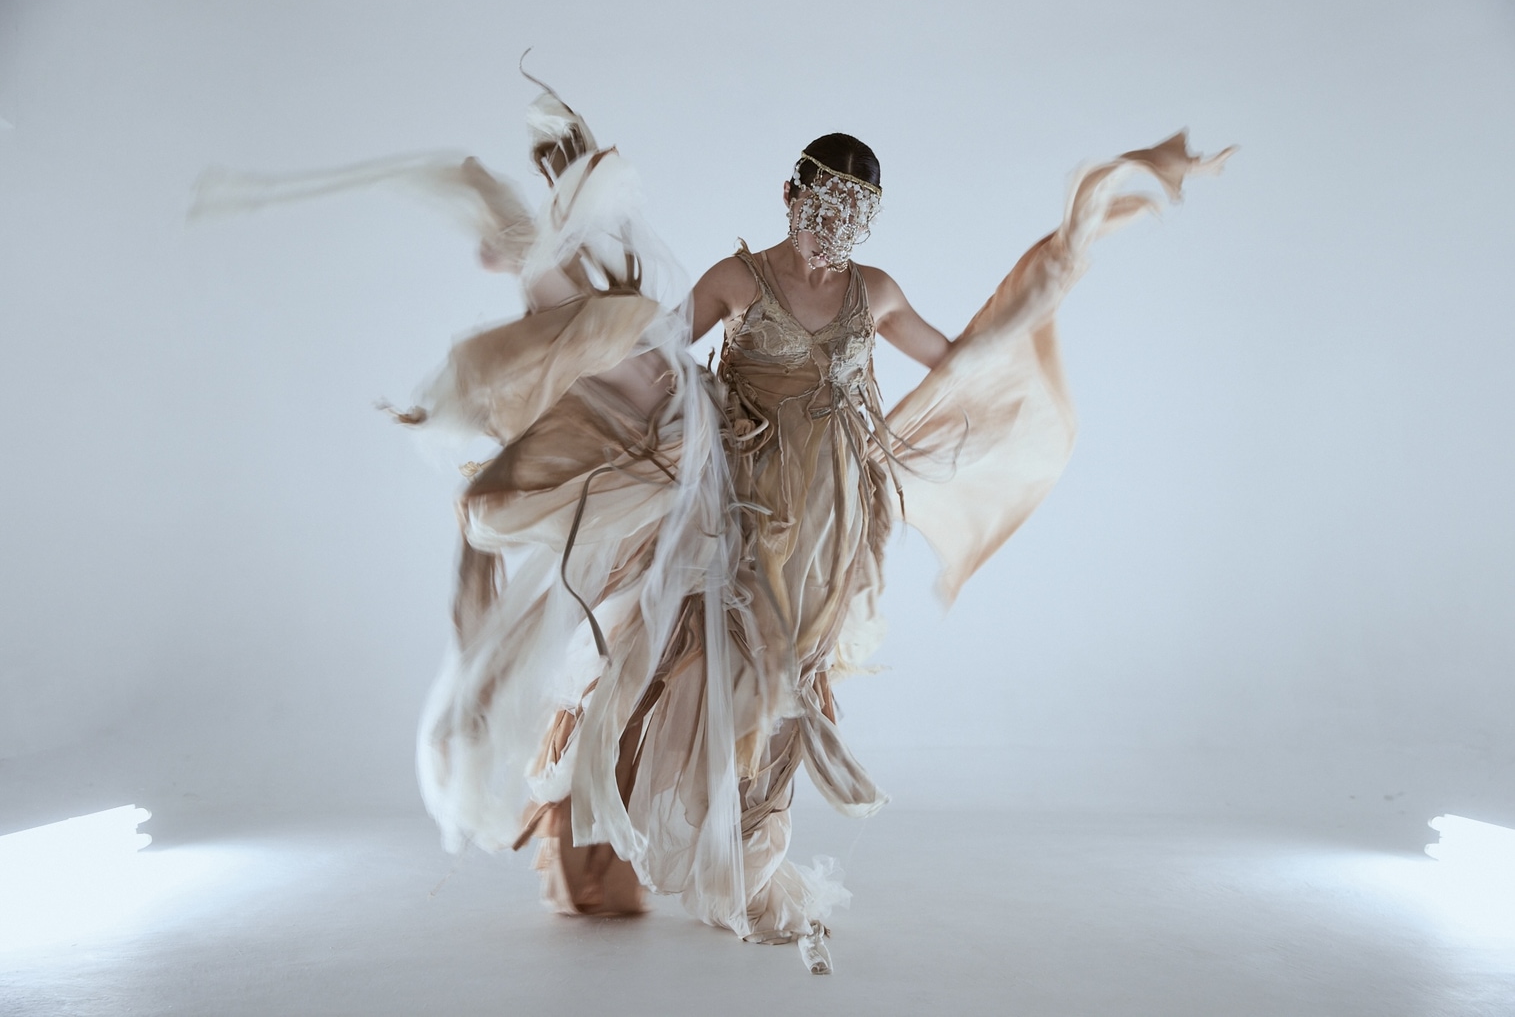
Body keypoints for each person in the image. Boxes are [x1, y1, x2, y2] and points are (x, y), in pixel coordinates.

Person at [192, 78, 1231, 975]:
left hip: (832, 515)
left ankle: (753, 866)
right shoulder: (740, 279)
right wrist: (549, 282)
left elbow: (956, 358)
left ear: (869, 222)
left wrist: (1057, 264)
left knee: (796, 683)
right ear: (789, 196)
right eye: (820, 208)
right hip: (737, 506)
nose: (831, 232)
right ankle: (604, 844)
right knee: (705, 670)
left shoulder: (875, 292)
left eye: (852, 217)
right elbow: (652, 352)